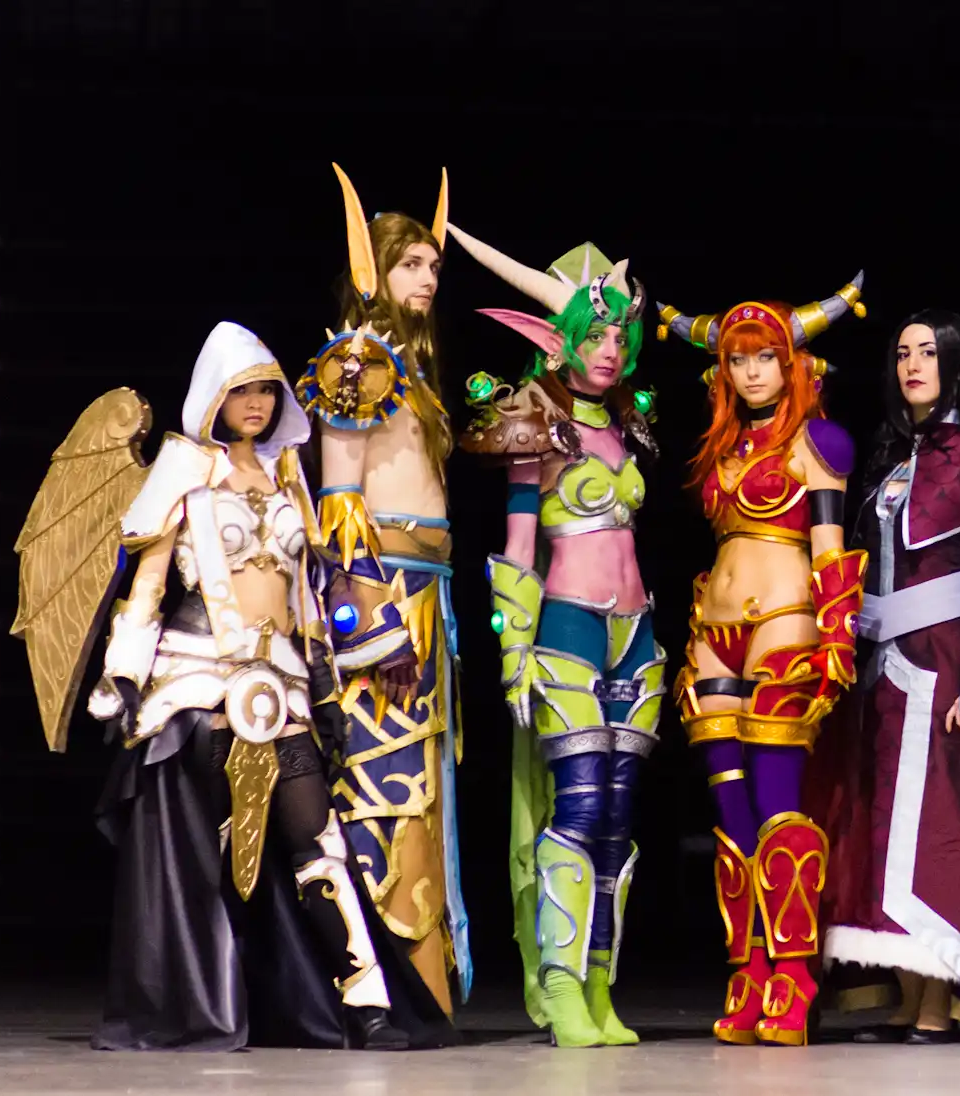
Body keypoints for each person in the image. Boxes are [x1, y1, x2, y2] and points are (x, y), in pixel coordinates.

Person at [14, 323, 452, 1050]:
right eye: (242, 390)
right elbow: (148, 586)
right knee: (199, 855)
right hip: (195, 682)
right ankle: (198, 999)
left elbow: (308, 598)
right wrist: (123, 676)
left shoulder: (288, 474)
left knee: (317, 841)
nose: (255, 403)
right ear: (213, 396)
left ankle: (365, 1004)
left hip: (280, 680)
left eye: (266, 391)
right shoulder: (184, 467)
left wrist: (325, 676)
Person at [448, 224, 666, 1047]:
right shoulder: (531, 426)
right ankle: (563, 986)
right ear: (557, 339)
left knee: (617, 818)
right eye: (594, 335)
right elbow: (516, 552)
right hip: (568, 629)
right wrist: (513, 653)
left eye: (618, 337)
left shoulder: (625, 425)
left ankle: (601, 984)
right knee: (576, 809)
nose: (609, 350)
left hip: (636, 635)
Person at [657, 275, 869, 1046]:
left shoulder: (820, 441)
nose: (751, 372)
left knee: (779, 807)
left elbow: (830, 549)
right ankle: (748, 970)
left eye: (764, 358)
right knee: (731, 816)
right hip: (712, 632)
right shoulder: (723, 446)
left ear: (791, 365)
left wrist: (837, 638)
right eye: (738, 360)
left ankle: (795, 974)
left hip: (783, 628)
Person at [818, 310, 960, 1043]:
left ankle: (939, 1002)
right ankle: (907, 995)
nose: (912, 364)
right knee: (883, 830)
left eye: (928, 352)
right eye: (903, 352)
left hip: (944, 665)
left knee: (938, 830)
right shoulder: (890, 459)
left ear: (955, 363)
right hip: (881, 668)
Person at [297, 165, 470, 1014]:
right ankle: (381, 985)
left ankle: (419, 987)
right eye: (411, 264)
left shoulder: (409, 366)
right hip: (389, 595)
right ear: (373, 270)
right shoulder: (357, 361)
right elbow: (339, 503)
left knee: (421, 781)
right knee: (383, 779)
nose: (428, 279)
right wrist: (372, 623)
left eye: (434, 266)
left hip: (428, 592)